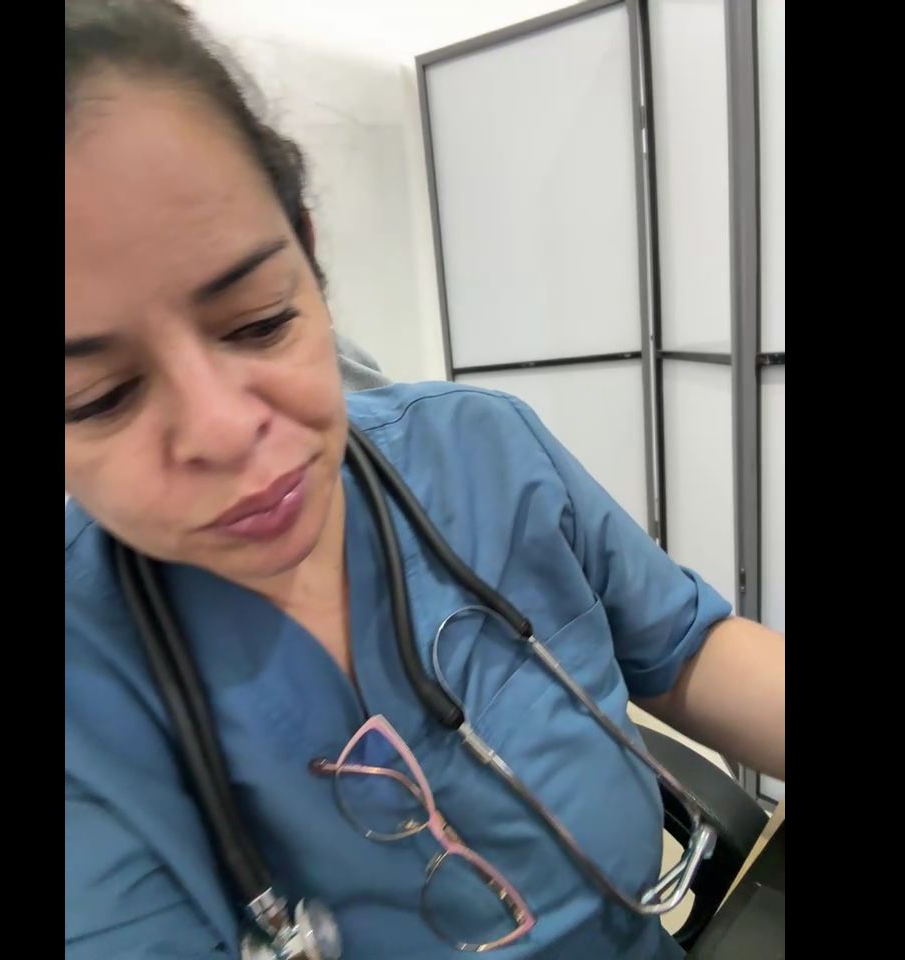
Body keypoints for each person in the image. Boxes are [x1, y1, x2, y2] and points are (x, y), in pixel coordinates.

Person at [64, 3, 785, 958]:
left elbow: (688, 649)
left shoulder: (480, 451)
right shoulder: (85, 672)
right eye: (99, 396)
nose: (225, 432)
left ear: (310, 261)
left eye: (259, 322)